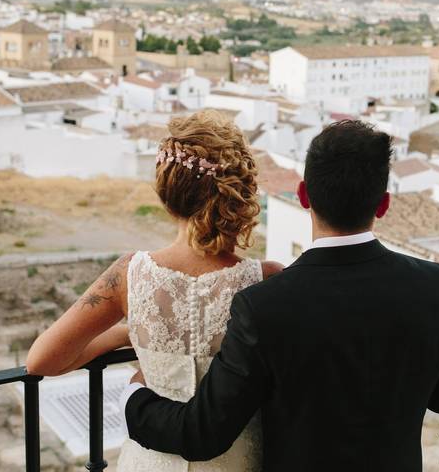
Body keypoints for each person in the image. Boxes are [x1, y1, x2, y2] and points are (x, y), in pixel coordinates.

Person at [123, 119, 439, 472]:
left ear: (304, 195)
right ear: (382, 204)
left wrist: (133, 398)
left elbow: (203, 434)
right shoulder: (436, 285)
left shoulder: (264, 306)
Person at [26, 110, 281, 472]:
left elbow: (41, 361)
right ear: (239, 193)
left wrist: (124, 335)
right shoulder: (267, 279)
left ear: (166, 194)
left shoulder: (130, 273)